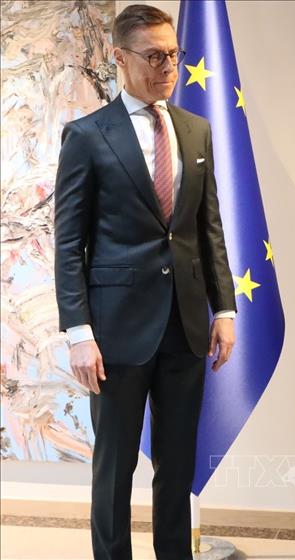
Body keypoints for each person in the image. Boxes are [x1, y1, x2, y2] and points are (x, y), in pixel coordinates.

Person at [54, 5, 236, 559]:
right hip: (115, 334)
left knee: (177, 467)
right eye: (154, 57)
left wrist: (225, 310)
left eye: (174, 55)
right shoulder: (87, 136)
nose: (169, 68)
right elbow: (69, 243)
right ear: (120, 56)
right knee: (114, 468)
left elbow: (208, 227)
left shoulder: (195, 129)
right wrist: (78, 333)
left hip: (185, 325)